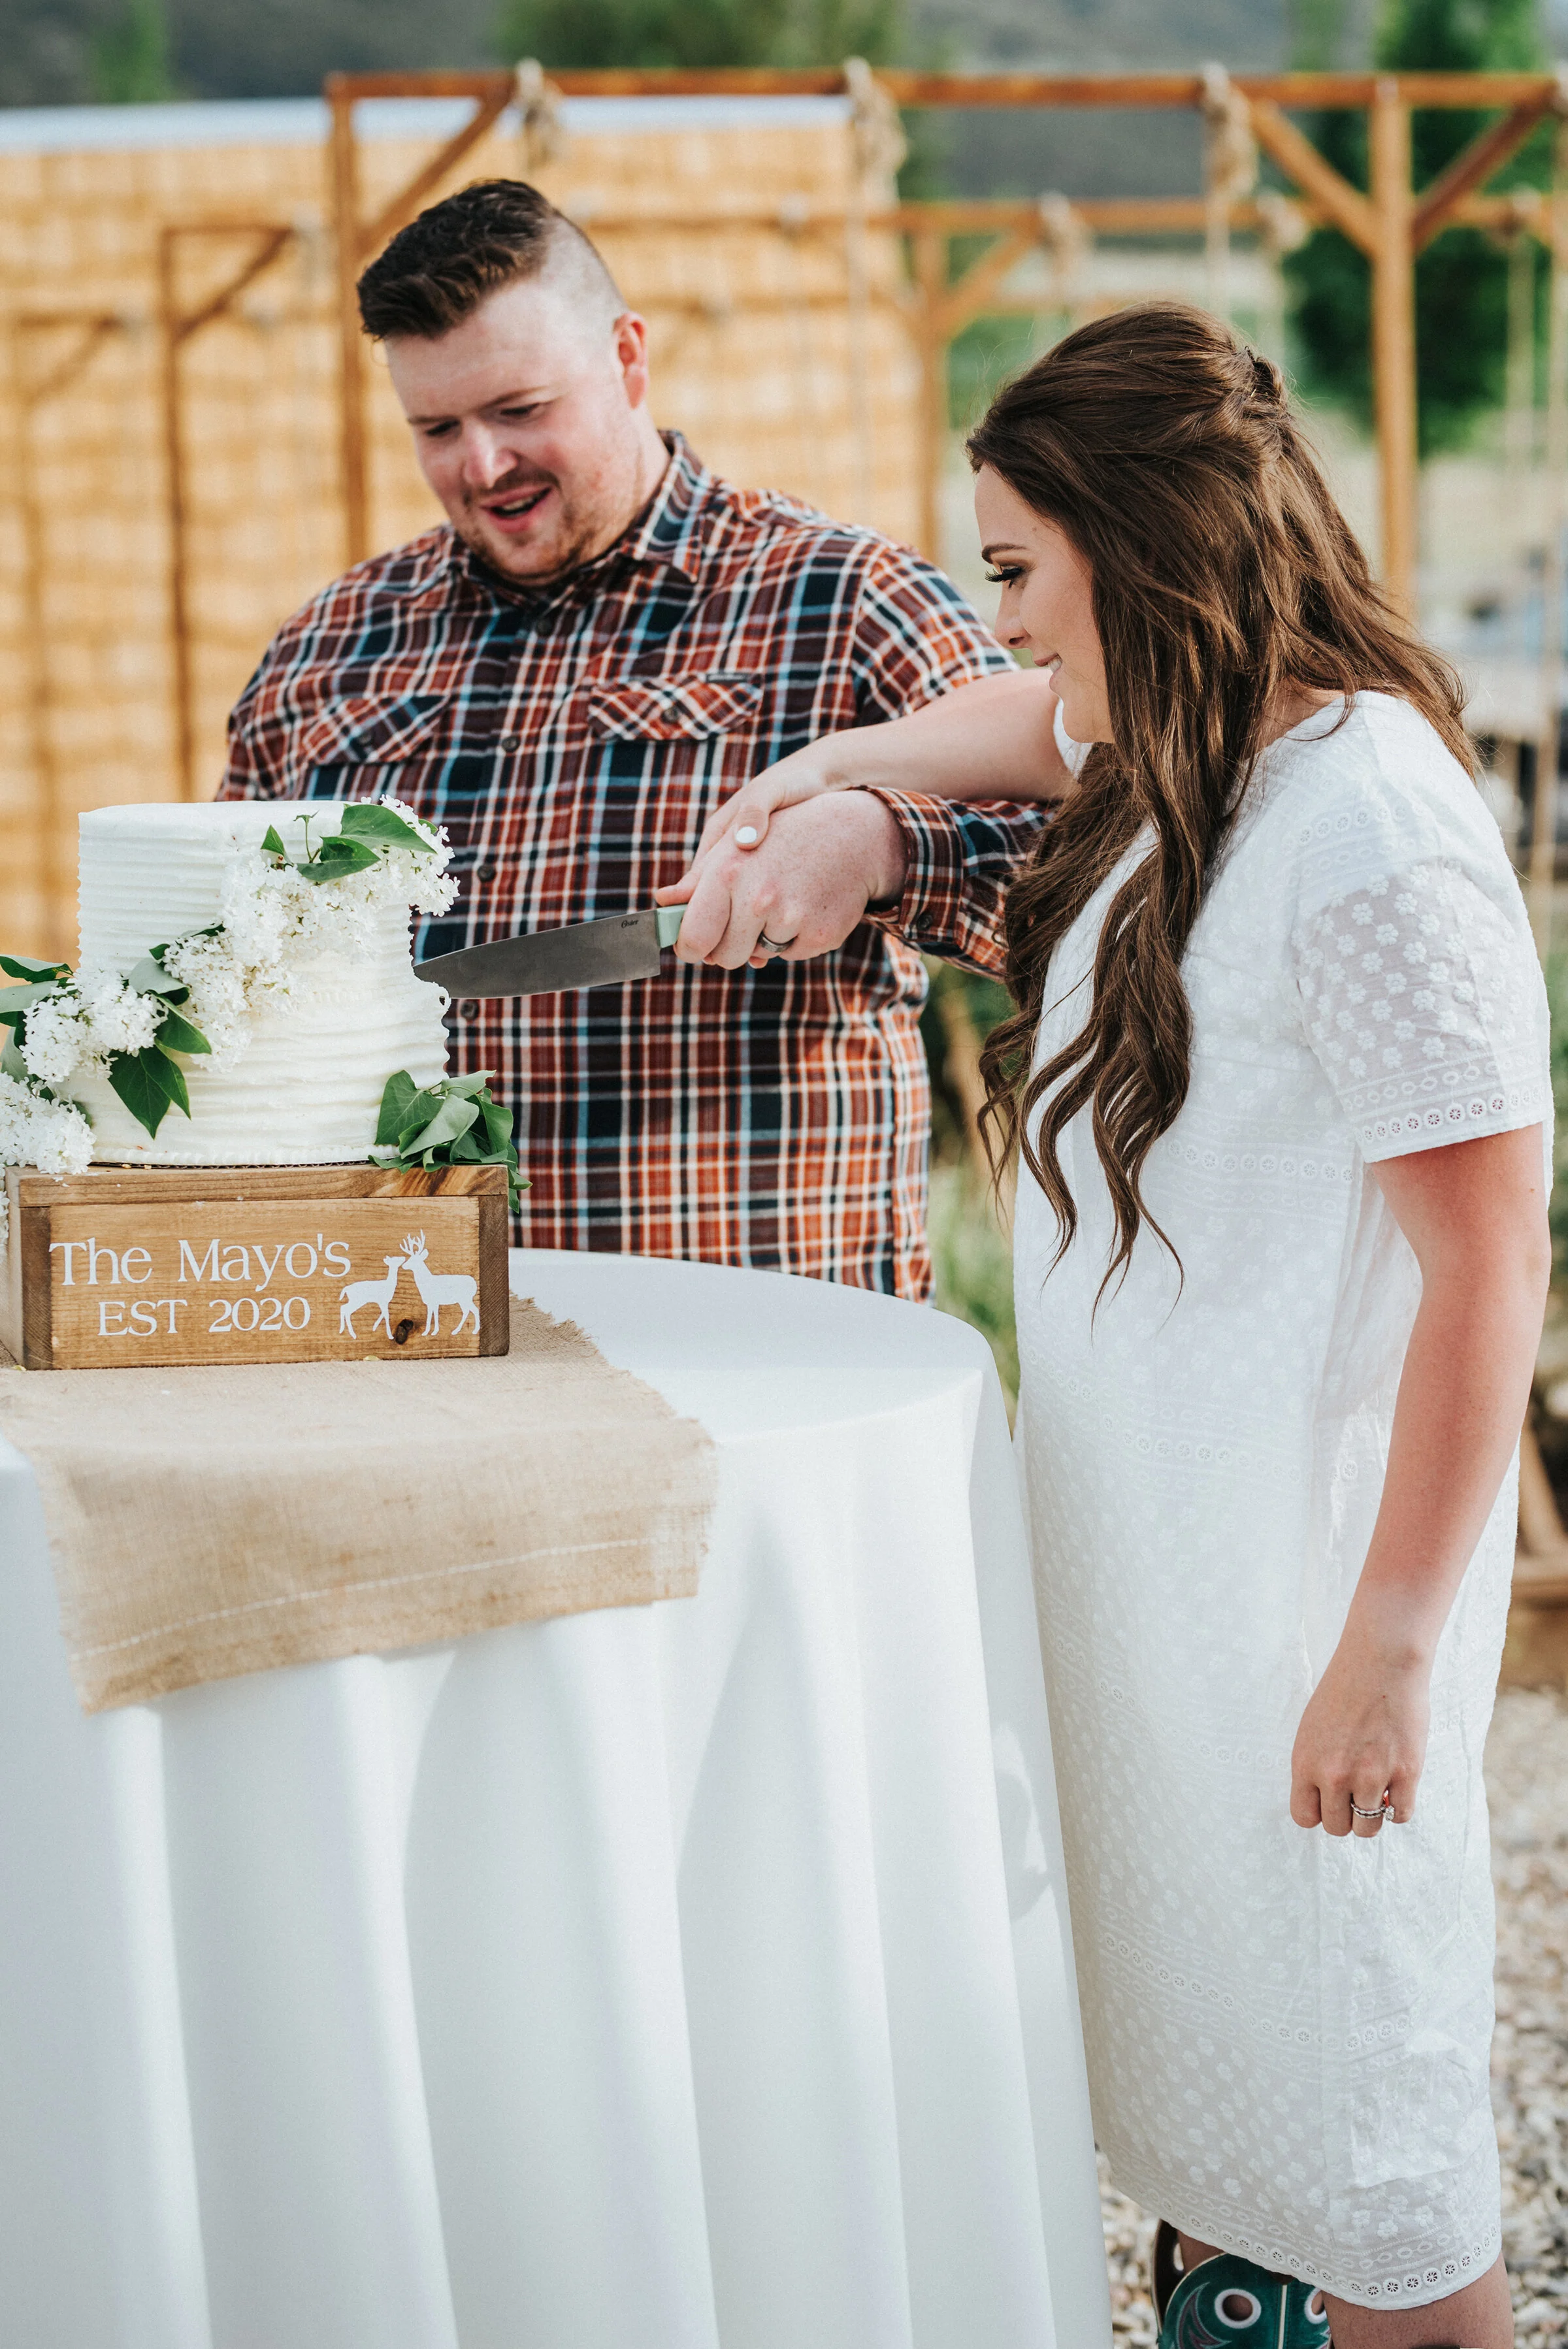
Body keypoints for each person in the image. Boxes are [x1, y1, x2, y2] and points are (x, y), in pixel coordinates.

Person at [672, 304, 1550, 2349]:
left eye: (1013, 565)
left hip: (1298, 1613)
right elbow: (1010, 729)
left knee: (1380, 2182)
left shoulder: (1376, 835)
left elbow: (1492, 1266)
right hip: (1171, 1603)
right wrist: (821, 771)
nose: (1001, 616)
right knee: (1231, 2131)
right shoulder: (1191, 744)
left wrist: (1394, 1651)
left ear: (1138, 546)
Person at [219, 177, 1053, 1298]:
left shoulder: (844, 599)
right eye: (437, 428)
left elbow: (1089, 869)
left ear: (627, 358)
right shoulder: (328, 649)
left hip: (761, 1340)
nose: (481, 465)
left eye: (520, 410)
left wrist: (886, 846)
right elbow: (230, 976)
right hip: (423, 1337)